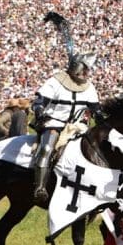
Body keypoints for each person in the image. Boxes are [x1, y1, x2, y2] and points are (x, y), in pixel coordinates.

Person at [30, 52, 101, 203]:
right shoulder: (56, 82)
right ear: (78, 67)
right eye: (86, 69)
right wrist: (39, 110)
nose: (88, 72)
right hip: (53, 123)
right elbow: (39, 101)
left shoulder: (89, 87)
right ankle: (40, 187)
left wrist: (101, 116)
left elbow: (96, 108)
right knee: (46, 149)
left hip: (77, 126)